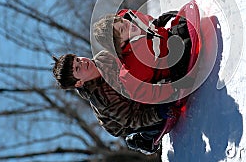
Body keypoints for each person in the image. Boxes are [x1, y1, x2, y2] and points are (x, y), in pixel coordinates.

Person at [52, 51, 180, 155]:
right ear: (79, 83)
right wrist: (158, 113)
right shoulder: (102, 98)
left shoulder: (104, 58)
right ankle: (143, 140)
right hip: (126, 121)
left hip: (135, 92)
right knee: (156, 119)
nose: (83, 62)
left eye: (78, 59)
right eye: (78, 68)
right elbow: (132, 118)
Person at [92, 7, 195, 103]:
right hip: (173, 65)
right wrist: (173, 87)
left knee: (181, 22)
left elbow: (145, 23)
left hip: (170, 37)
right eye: (122, 30)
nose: (126, 24)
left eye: (122, 21)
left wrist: (156, 23)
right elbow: (141, 93)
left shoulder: (133, 22)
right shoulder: (133, 62)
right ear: (120, 44)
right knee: (181, 42)